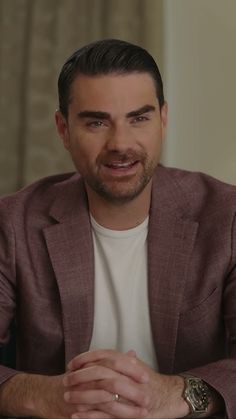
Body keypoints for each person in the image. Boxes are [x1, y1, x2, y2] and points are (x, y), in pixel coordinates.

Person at [0, 38, 235, 419]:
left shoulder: (227, 216)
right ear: (63, 129)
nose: (121, 143)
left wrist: (173, 394)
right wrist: (49, 395)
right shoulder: (13, 222)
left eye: (139, 118)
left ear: (163, 120)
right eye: (97, 122)